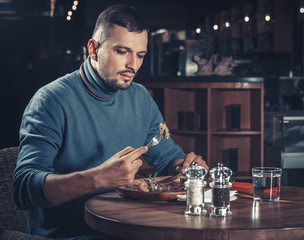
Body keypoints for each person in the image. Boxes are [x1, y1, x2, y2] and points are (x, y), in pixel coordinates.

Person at [12, 3, 208, 239]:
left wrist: (182, 167)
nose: (132, 65)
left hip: (130, 228)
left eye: (140, 55)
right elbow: (23, 190)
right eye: (122, 51)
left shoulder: (141, 98)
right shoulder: (50, 100)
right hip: (70, 234)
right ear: (93, 49)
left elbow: (166, 157)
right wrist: (98, 178)